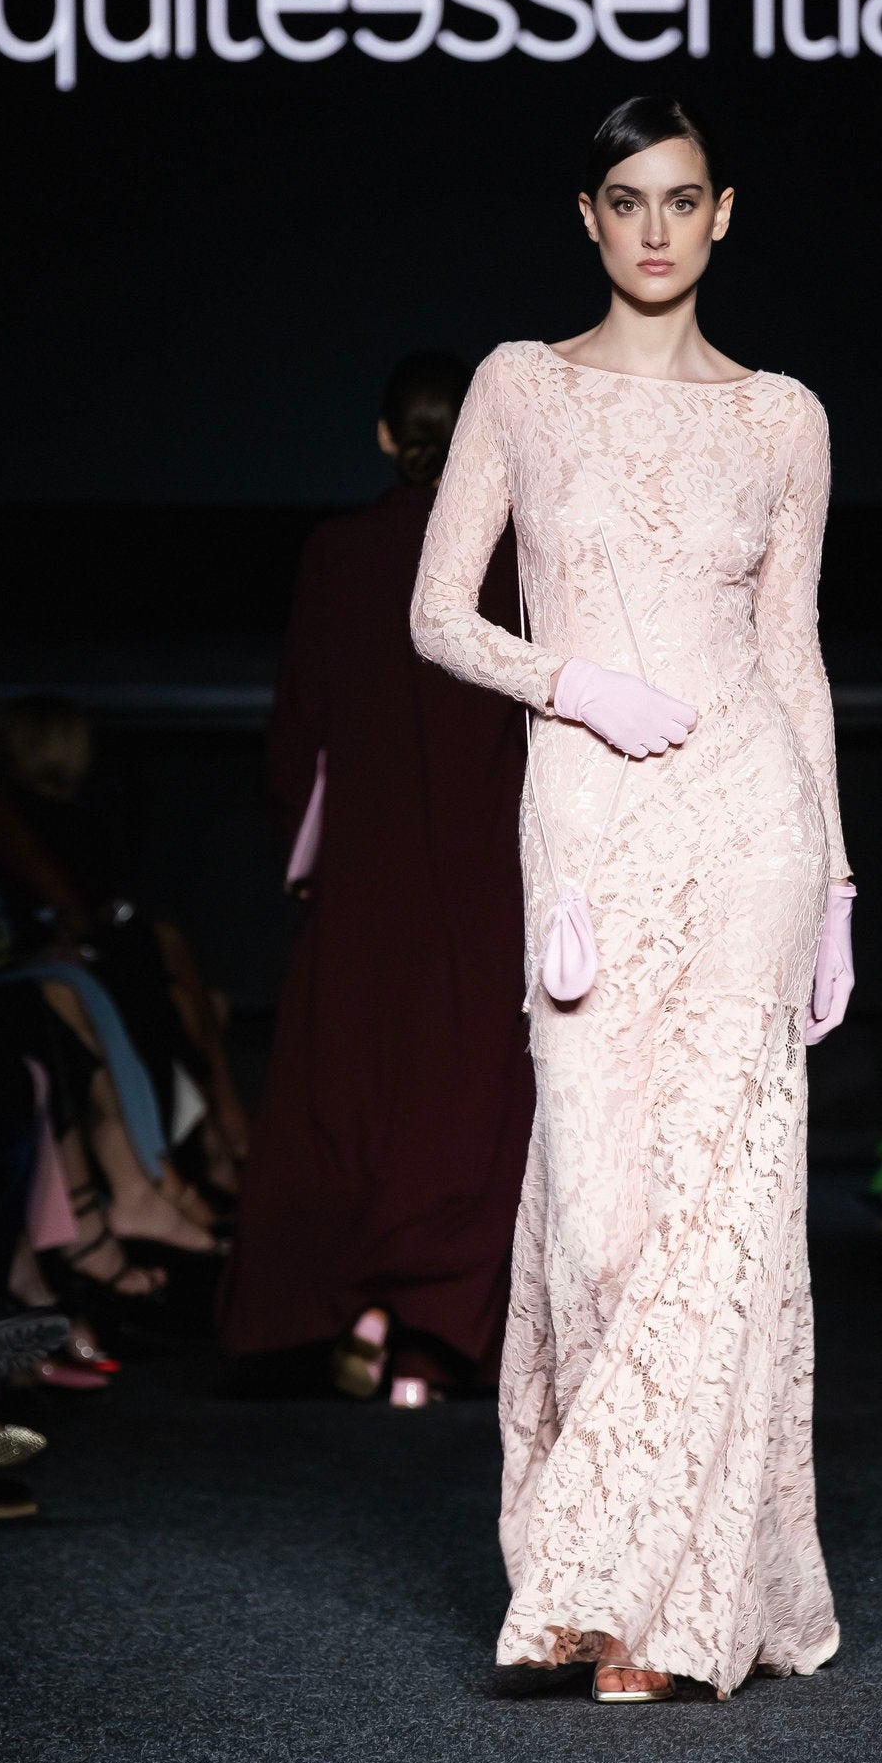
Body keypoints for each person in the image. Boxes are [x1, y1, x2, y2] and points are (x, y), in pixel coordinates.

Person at [409, 96, 856, 1701]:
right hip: (593, 820)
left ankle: (646, 1613)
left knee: (721, 1215)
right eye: (626, 199)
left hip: (751, 830)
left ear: (723, 213)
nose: (655, 228)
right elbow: (438, 614)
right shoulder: (521, 388)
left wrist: (837, 884)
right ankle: (605, 1567)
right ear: (587, 217)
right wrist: (575, 683)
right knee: (602, 1223)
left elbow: (794, 653)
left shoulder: (783, 418)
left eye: (682, 199)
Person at [219, 352, 535, 1402]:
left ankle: (359, 1307)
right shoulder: (521, 558)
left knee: (355, 1089)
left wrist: (299, 848)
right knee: (466, 1092)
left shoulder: (339, 551)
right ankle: (426, 1341)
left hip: (367, 865)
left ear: (386, 435)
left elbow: (300, 721)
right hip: (487, 866)